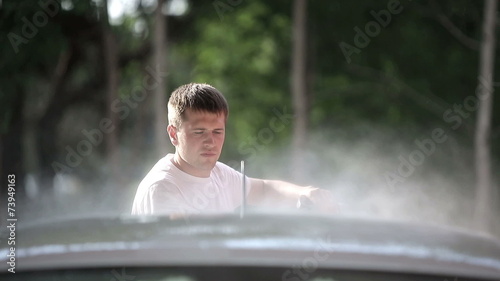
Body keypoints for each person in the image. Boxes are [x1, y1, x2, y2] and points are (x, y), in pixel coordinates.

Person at [131, 83, 337, 216]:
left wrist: (305, 193)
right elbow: (182, 260)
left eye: (217, 131)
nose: (210, 141)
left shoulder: (220, 175)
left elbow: (264, 189)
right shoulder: (161, 189)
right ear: (173, 134)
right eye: (199, 132)